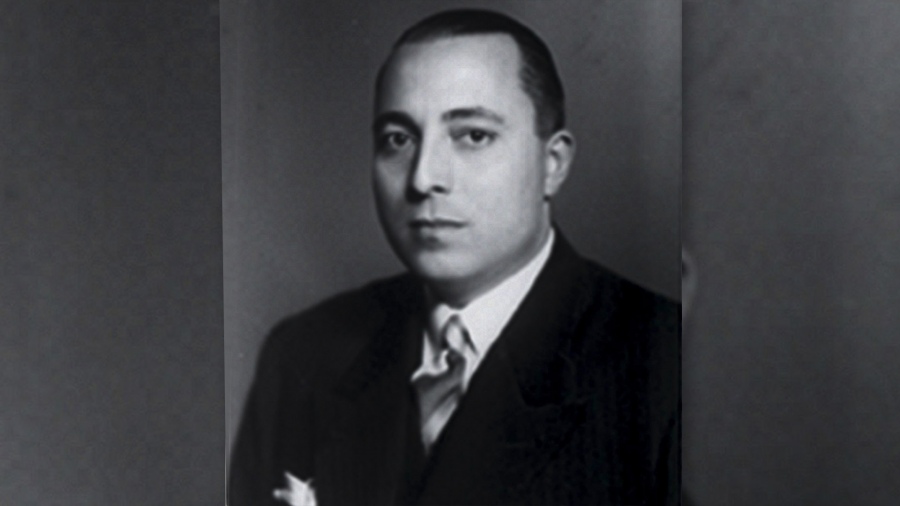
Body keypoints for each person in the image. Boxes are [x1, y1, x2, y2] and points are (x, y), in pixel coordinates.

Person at [229, 9, 679, 506]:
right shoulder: (303, 354)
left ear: (552, 164)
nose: (424, 178)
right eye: (398, 139)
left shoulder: (669, 365)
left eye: (473, 135)